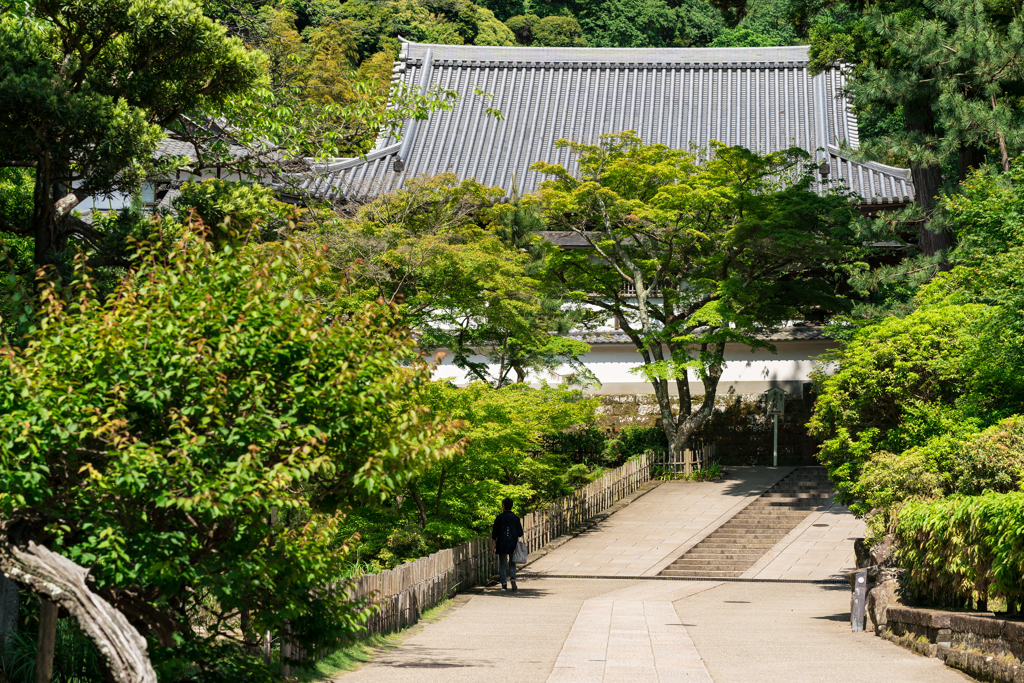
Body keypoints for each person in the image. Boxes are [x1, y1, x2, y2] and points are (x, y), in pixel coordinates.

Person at [491, 497, 523, 591]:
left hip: (501, 543)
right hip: (513, 543)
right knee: (512, 563)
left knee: (503, 564)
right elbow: (520, 533)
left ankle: (504, 584)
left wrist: (493, 546)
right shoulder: (516, 518)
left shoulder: (499, 518)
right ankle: (512, 578)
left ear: (503, 506)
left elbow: (494, 534)